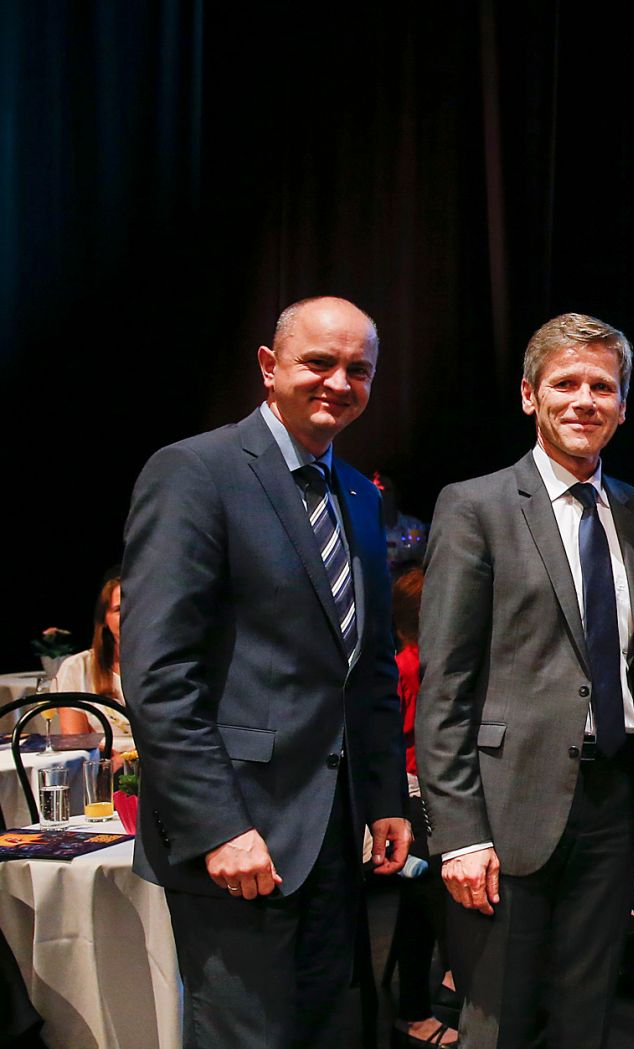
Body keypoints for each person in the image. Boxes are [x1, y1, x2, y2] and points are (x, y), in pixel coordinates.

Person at [121, 295, 411, 1046]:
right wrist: (219, 825)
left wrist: (383, 796)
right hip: (238, 839)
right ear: (268, 366)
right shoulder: (195, 471)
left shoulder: (355, 494)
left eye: (358, 369)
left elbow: (368, 666)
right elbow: (158, 675)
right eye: (319, 362)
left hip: (335, 840)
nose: (338, 382)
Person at [416, 312, 634, 1048]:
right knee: (497, 1021)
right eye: (565, 382)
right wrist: (459, 835)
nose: (583, 399)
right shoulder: (475, 506)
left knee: (585, 1021)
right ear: (530, 395)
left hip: (612, 804)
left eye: (602, 385)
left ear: (623, 405)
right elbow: (445, 685)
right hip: (504, 811)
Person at [388, 564, 456, 1047]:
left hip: (431, 796)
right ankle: (413, 1011)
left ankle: (441, 989)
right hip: (416, 801)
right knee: (425, 909)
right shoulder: (410, 669)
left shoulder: (428, 664)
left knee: (430, 909)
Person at [50, 568, 130, 735]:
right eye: (118, 609)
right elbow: (75, 739)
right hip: (105, 758)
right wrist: (109, 756)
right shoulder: (77, 667)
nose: (129, 615)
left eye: (137, 607)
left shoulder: (173, 664)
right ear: (105, 619)